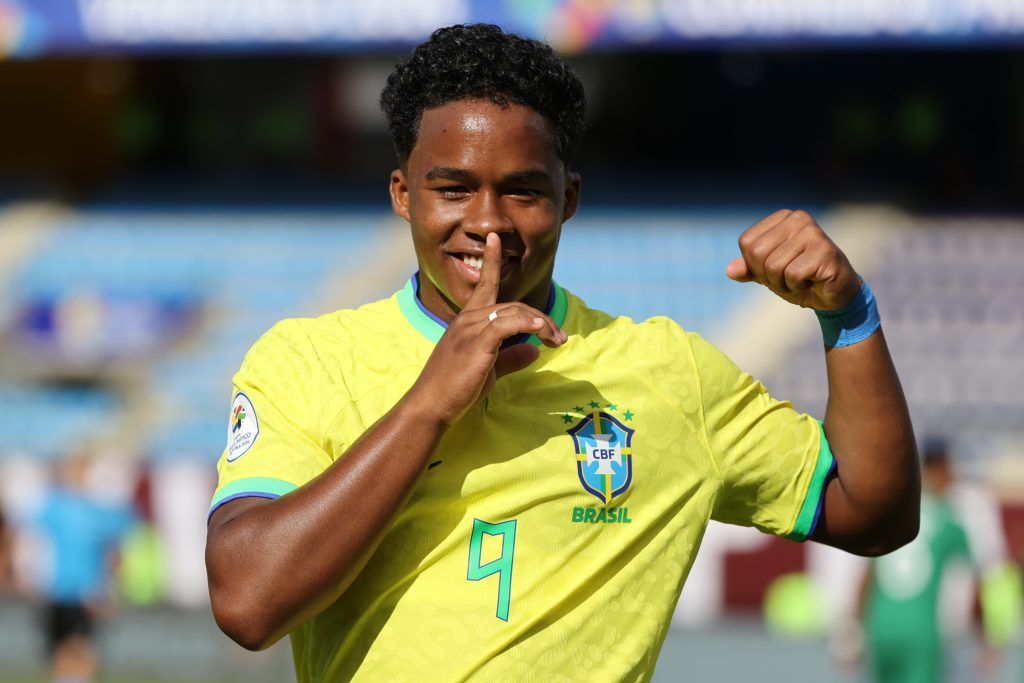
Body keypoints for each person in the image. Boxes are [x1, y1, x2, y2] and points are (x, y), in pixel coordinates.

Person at [205, 23, 920, 682]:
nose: (488, 224)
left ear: (568, 198)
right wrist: (428, 404)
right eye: (453, 189)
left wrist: (847, 314)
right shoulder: (309, 361)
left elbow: (873, 512)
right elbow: (246, 602)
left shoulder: (668, 373)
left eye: (523, 192)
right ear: (403, 194)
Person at [854, 441, 1001, 683]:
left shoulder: (894, 513)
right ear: (941, 468)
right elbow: (975, 583)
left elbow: (868, 575)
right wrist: (984, 637)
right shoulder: (948, 519)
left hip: (880, 627)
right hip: (921, 631)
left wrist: (853, 631)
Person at [27, 452, 135, 683]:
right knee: (60, 649)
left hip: (86, 592)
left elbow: (116, 547)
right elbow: (32, 540)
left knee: (83, 648)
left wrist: (109, 587)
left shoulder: (97, 510)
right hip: (57, 589)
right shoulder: (54, 505)